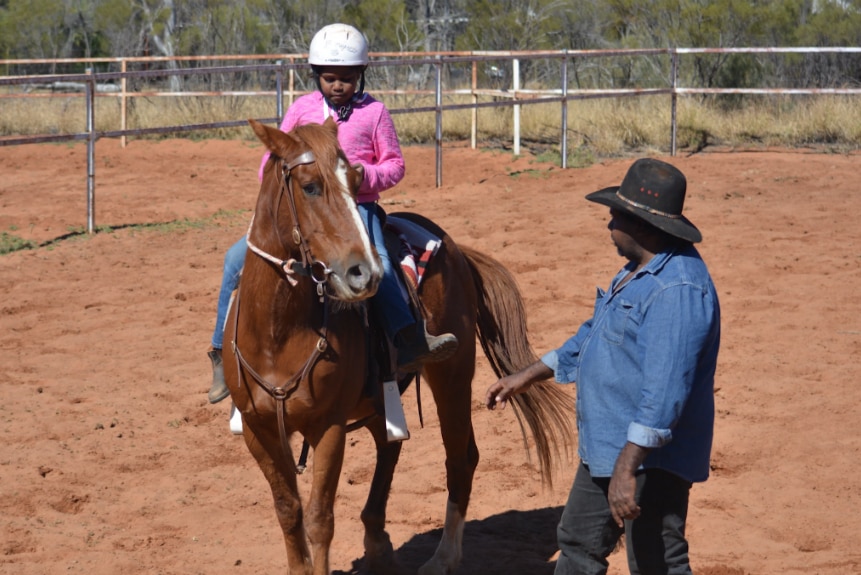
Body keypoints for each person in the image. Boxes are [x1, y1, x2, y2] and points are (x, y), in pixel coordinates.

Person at [485, 158, 720, 575]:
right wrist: (528, 375)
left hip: (649, 461)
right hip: (609, 445)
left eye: (616, 215)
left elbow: (664, 395)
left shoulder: (676, 290)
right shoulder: (639, 271)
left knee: (657, 559)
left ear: (642, 225)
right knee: (578, 544)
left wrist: (627, 468)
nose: (608, 223)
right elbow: (593, 337)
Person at [206, 23, 458, 404]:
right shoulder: (302, 109)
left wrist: (363, 176)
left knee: (381, 264)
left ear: (360, 75)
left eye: (347, 78)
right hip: (306, 209)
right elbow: (276, 157)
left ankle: (407, 338)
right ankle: (221, 356)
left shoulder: (374, 112)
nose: (338, 86)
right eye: (329, 78)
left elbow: (395, 165)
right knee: (234, 260)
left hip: (358, 207)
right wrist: (273, 179)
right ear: (316, 76)